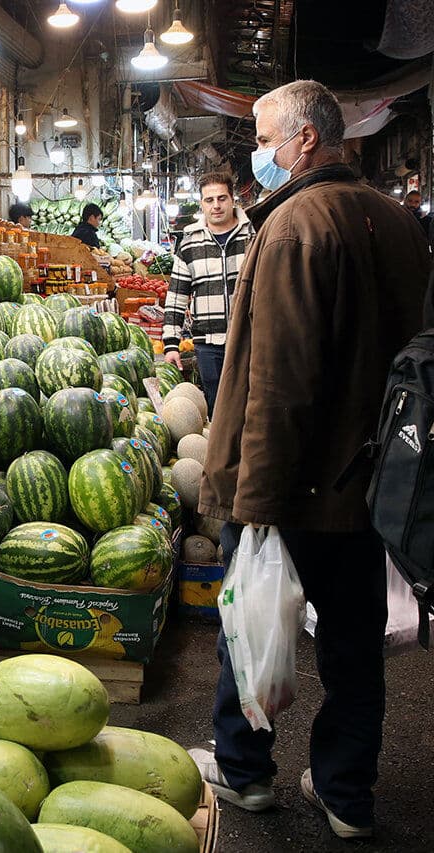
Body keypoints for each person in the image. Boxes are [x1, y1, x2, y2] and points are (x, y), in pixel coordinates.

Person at [190, 80, 430, 840]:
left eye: (263, 138)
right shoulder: (396, 221)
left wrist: (253, 506)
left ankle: (245, 770)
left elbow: (280, 383)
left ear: (304, 141)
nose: (256, 153)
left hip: (294, 484)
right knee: (354, 645)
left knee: (253, 628)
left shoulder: (294, 225)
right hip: (370, 482)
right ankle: (346, 793)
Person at [162, 171, 254, 413]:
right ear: (202, 203)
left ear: (233, 199)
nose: (216, 206)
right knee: (217, 411)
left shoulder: (253, 234)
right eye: (209, 200)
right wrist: (171, 344)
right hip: (208, 345)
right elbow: (176, 296)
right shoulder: (190, 242)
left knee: (251, 410)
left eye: (222, 198)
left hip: (249, 338)